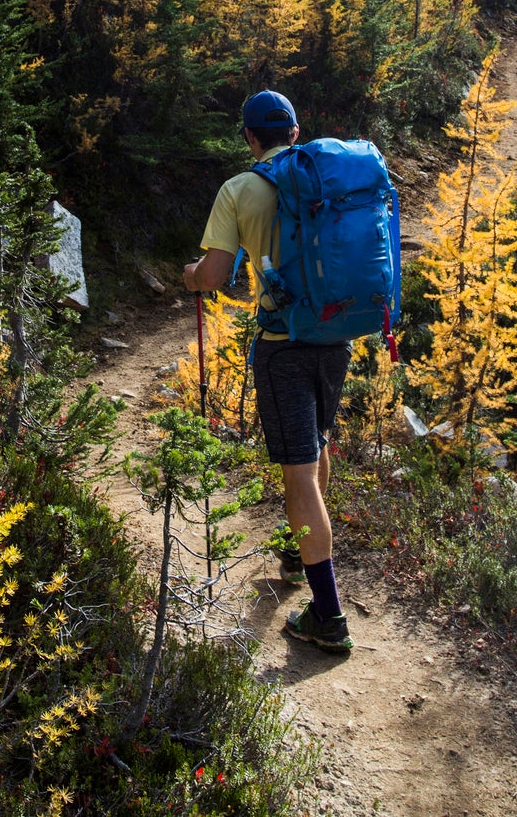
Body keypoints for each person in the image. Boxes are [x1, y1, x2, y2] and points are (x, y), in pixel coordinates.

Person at [182, 89, 353, 655]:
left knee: (298, 470)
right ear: (296, 131)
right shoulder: (327, 175)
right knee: (318, 445)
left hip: (284, 343)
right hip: (336, 336)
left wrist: (189, 276)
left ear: (250, 138)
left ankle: (328, 617)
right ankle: (296, 559)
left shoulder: (239, 189)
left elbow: (213, 274)